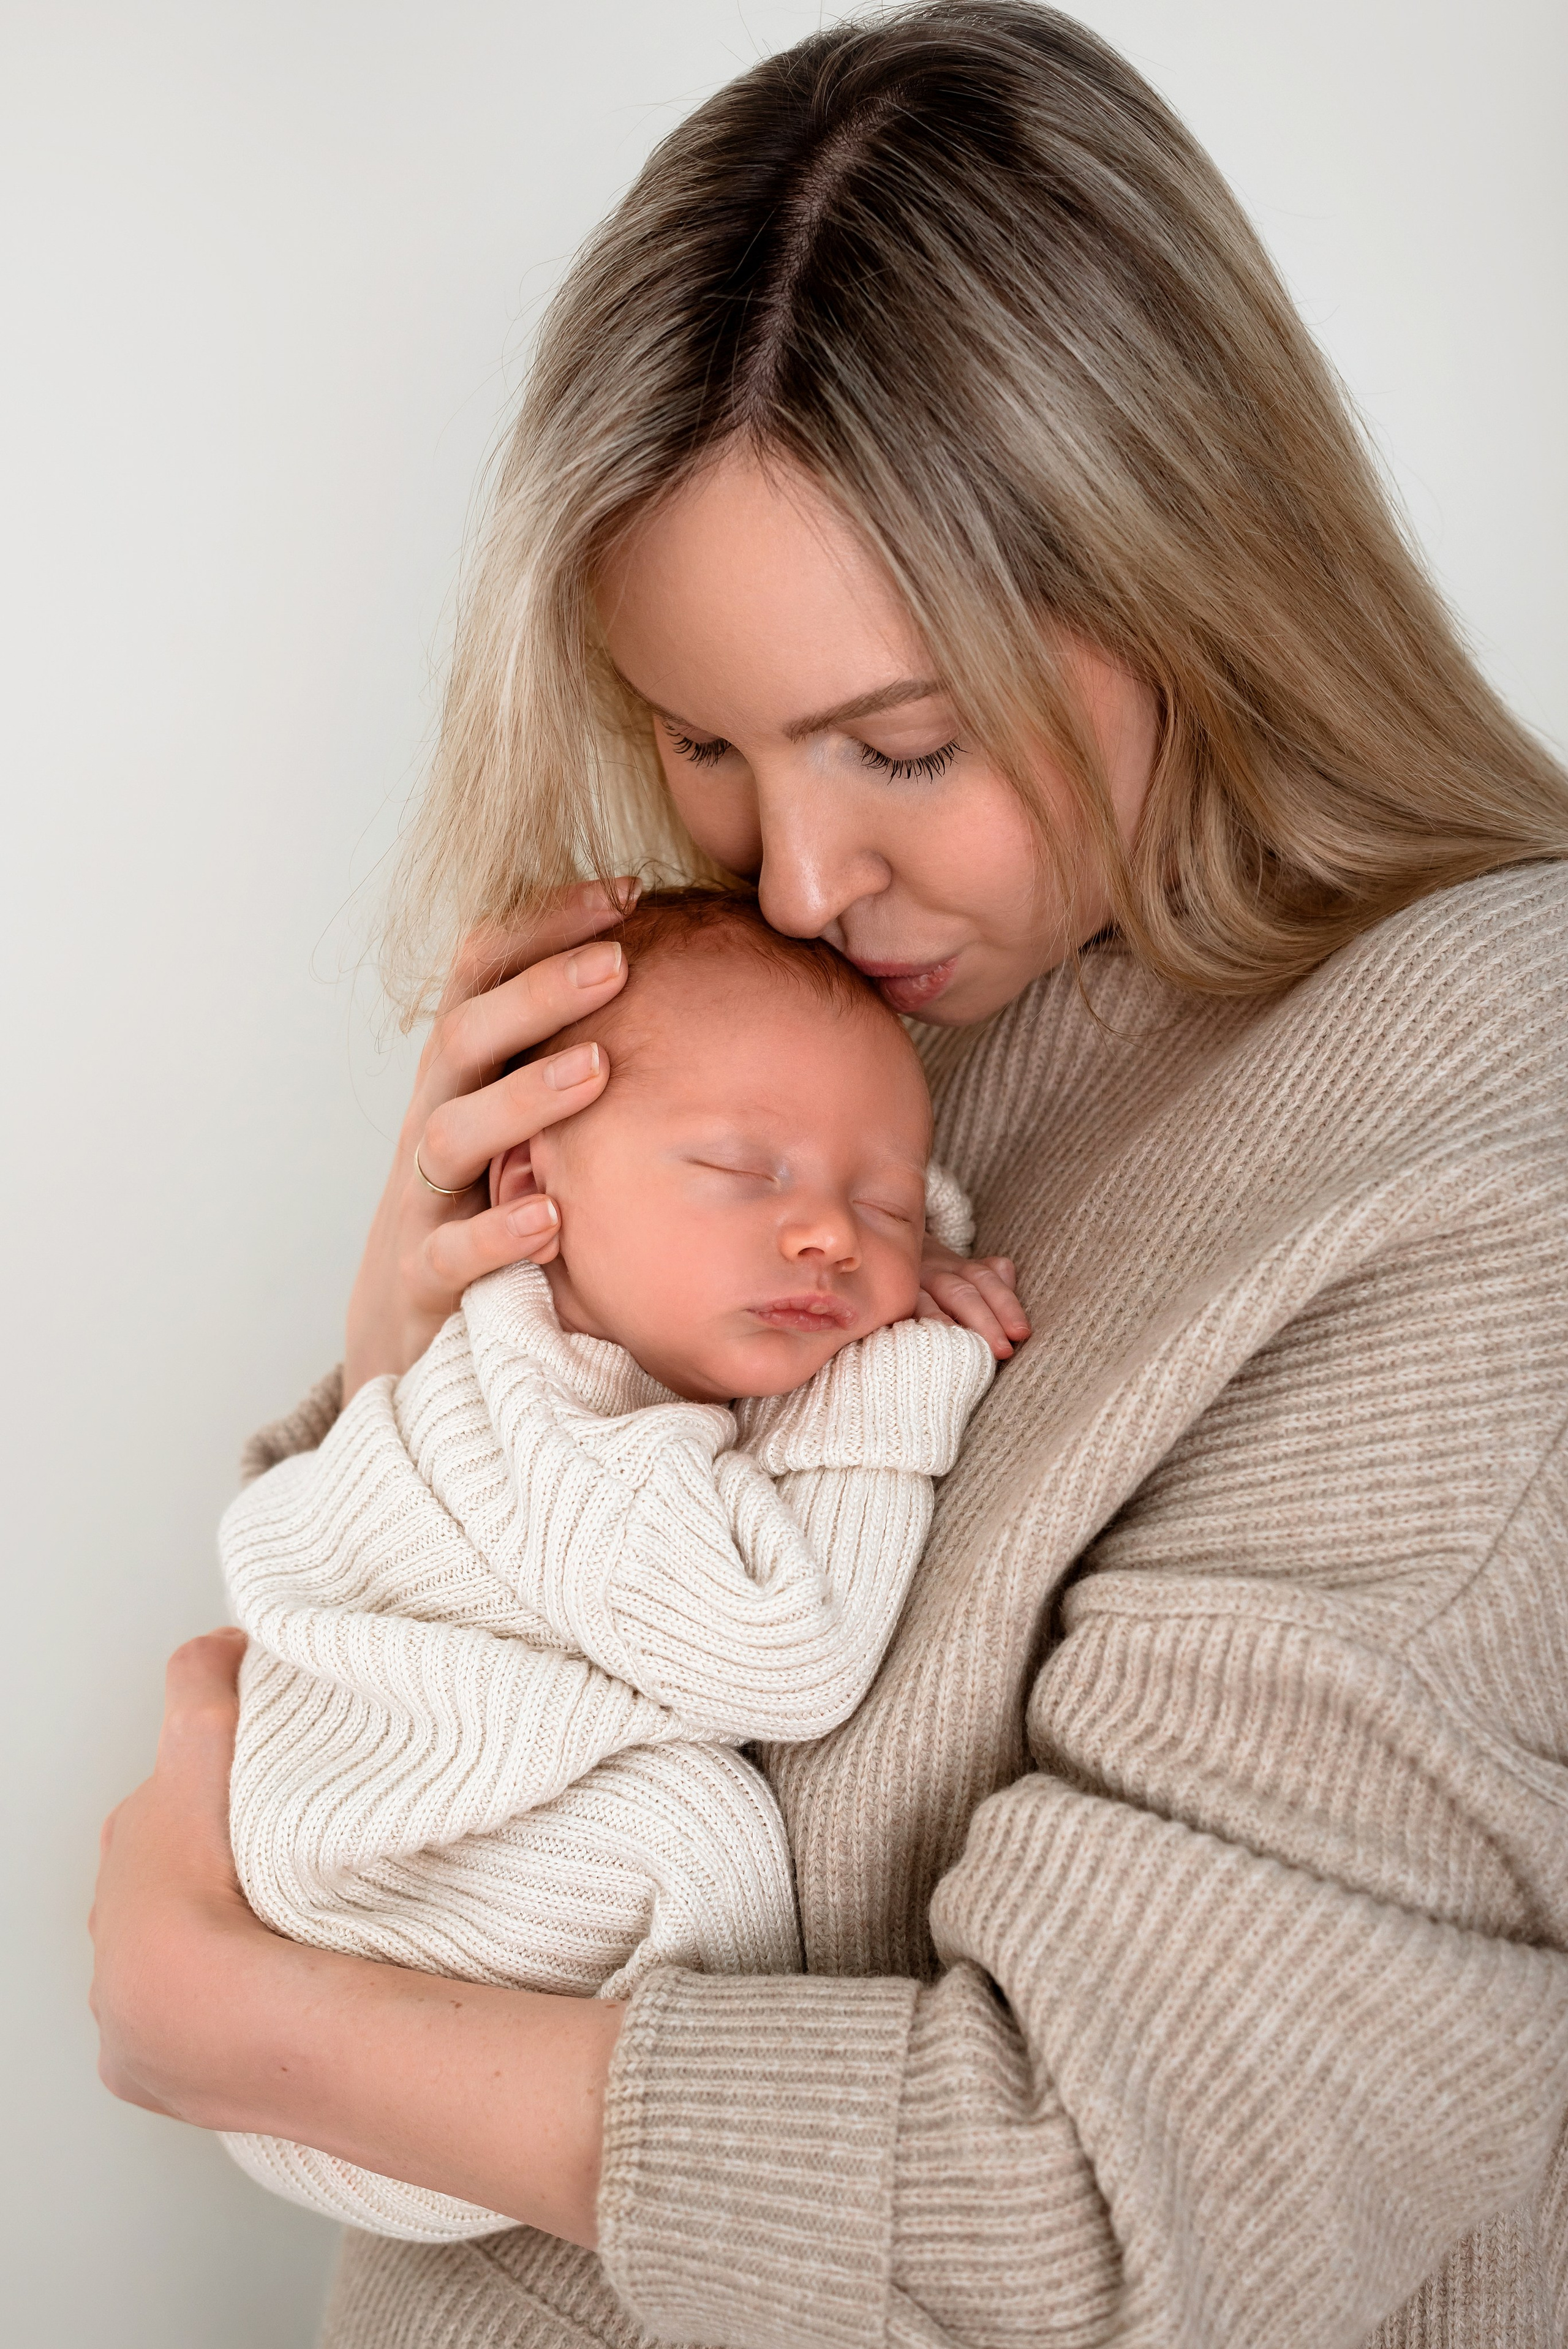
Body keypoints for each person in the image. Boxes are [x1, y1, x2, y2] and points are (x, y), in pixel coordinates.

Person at [89, 6, 1568, 2346]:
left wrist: (256, 2035)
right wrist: (416, 1353)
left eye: (900, 742)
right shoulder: (812, 1011)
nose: (793, 877)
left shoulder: (1480, 1119)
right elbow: (432, 1751)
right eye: (699, 742)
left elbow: (1104, 2216)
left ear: (1201, 576)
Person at [219, 891, 996, 2240]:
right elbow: (788, 1656)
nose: (830, 1233)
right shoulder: (556, 1426)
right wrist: (896, 1367)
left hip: (361, 1987)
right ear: (532, 1192)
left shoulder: (616, 1367)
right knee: (701, 1837)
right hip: (385, 1898)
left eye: (885, 1202)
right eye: (746, 1171)